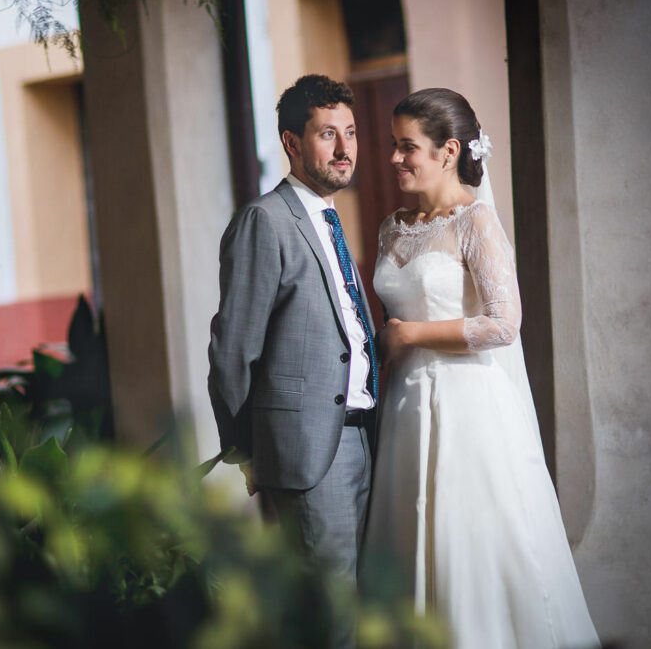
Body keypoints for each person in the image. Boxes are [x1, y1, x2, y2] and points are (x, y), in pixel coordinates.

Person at [366, 87, 599, 648]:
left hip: (466, 409)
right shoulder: (391, 227)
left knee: (466, 548)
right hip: (403, 412)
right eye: (394, 146)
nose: (395, 158)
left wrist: (411, 334)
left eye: (407, 147)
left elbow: (503, 323)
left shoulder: (476, 222)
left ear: (448, 151)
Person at [208, 74, 378, 648]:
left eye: (350, 133)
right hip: (307, 453)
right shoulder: (266, 220)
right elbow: (233, 348)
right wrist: (247, 450)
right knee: (330, 619)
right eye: (327, 134)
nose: (343, 148)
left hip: (362, 437)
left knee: (358, 607)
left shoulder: (328, 220)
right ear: (291, 142)